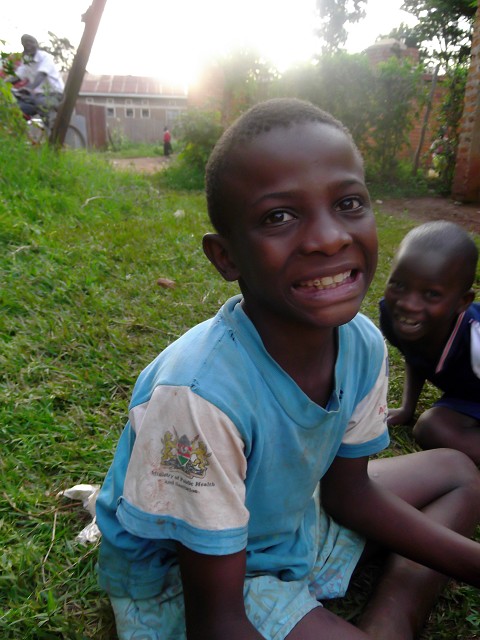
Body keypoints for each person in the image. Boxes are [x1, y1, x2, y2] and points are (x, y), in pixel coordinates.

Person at [95, 98, 480, 640]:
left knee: (458, 472)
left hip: (287, 519)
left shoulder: (363, 343)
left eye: (348, 203)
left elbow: (348, 493)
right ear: (226, 257)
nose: (329, 237)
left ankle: (395, 611)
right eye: (279, 216)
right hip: (189, 578)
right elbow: (217, 624)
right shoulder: (198, 397)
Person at [380, 220, 480, 464]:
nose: (408, 304)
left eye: (432, 294)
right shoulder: (393, 316)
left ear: (462, 302)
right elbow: (415, 356)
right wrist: (407, 408)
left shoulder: (475, 339)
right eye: (399, 285)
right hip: (468, 397)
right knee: (431, 428)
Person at [8, 34, 64, 118]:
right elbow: (17, 77)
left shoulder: (45, 57)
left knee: (42, 103)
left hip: (54, 94)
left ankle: (52, 122)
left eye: (31, 42)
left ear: (36, 44)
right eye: (25, 43)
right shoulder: (26, 60)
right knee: (15, 104)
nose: (28, 45)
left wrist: (30, 88)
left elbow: (41, 74)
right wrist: (2, 84)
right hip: (37, 95)